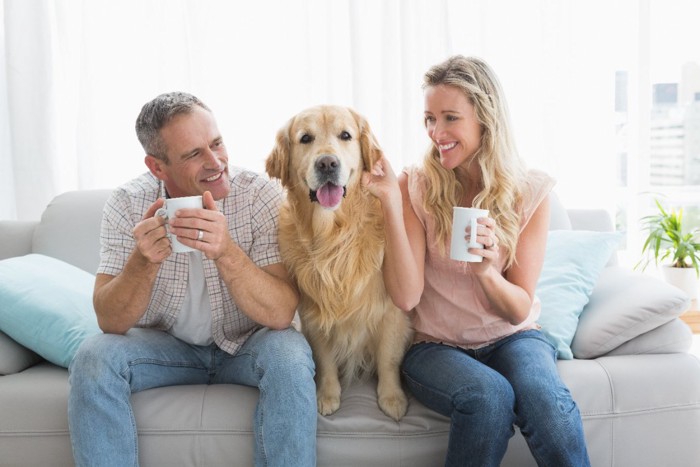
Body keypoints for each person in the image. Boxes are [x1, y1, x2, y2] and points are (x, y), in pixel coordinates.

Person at [362, 56, 590, 466]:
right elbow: (405, 295)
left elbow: (519, 307)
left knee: (546, 403)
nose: (437, 133)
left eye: (451, 118)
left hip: (513, 337)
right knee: (488, 396)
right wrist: (392, 204)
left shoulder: (529, 192)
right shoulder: (415, 185)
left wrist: (486, 272)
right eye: (429, 119)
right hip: (434, 346)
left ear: (485, 120)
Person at [67, 92, 317, 467]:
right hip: (166, 349)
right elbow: (110, 321)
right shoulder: (126, 204)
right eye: (193, 154)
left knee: (290, 355)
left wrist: (226, 252)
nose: (216, 162)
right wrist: (143, 262)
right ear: (157, 167)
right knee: (92, 357)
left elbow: (282, 313)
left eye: (216, 144)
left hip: (246, 343)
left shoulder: (258, 195)